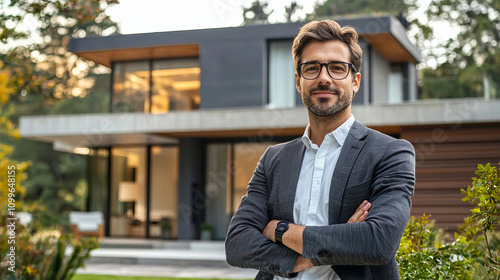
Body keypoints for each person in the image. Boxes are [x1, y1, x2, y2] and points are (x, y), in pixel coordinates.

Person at [225, 19, 415, 280]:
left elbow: (379, 241)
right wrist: (325, 249)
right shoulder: (274, 159)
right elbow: (237, 243)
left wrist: (280, 231)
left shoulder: (390, 153)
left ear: (355, 81)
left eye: (337, 68)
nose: (324, 78)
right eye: (312, 68)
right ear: (298, 81)